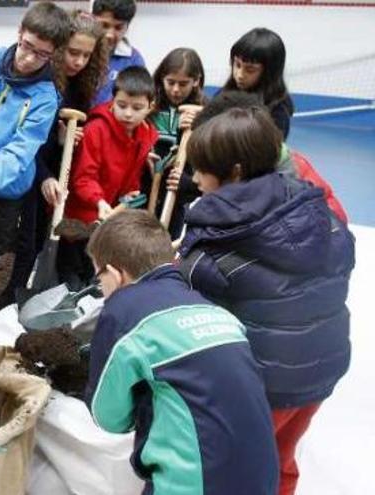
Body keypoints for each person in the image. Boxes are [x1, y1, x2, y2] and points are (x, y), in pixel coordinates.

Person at [176, 107, 354, 495]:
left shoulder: (218, 241)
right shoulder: (317, 209)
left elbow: (191, 306)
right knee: (280, 459)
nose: (195, 179)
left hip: (265, 384)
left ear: (235, 172)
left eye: (202, 170)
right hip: (322, 367)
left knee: (233, 474)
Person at [84, 209, 279, 495]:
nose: (100, 288)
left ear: (115, 272)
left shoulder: (123, 311)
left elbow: (109, 417)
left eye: (98, 277)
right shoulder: (214, 309)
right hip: (262, 475)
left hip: (196, 483)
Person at [0, 1, 71, 339]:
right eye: (26, 46)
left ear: (52, 56)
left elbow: (21, 152)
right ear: (19, 33)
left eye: (40, 55)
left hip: (5, 192)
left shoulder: (45, 97)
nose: (27, 58)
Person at [16, 10, 108, 295]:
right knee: (22, 243)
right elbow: (26, 140)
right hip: (28, 174)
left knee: (41, 240)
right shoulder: (40, 81)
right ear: (56, 48)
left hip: (56, 177)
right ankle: (13, 294)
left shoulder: (81, 89)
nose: (79, 62)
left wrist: (65, 141)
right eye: (72, 52)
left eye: (86, 55)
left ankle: (27, 295)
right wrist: (46, 168)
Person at [168, 89, 348, 224]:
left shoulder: (292, 192)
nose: (196, 177)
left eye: (205, 167)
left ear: (236, 168)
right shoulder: (257, 171)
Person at [62, 66, 159, 285]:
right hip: (79, 218)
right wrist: (99, 201)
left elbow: (132, 177)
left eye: (137, 108)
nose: (128, 113)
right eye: (122, 105)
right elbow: (83, 178)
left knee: (96, 273)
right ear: (112, 100)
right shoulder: (96, 130)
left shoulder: (145, 136)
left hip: (110, 219)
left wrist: (129, 200)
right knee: (72, 272)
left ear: (150, 107)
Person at [142, 47, 206, 237]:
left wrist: (189, 184)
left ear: (196, 81)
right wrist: (143, 154)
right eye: (171, 82)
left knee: (166, 243)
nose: (176, 90)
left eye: (183, 84)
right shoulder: (148, 103)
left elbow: (212, 161)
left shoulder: (206, 112)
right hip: (141, 187)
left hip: (175, 195)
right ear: (161, 78)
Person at [221, 27, 294, 138]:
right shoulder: (224, 94)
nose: (240, 75)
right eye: (237, 65)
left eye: (250, 70)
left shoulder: (278, 113)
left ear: (269, 72)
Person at [90, 0, 145, 106]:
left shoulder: (134, 60)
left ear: (127, 27)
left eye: (118, 28)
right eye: (104, 25)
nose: (109, 34)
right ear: (93, 19)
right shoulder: (78, 51)